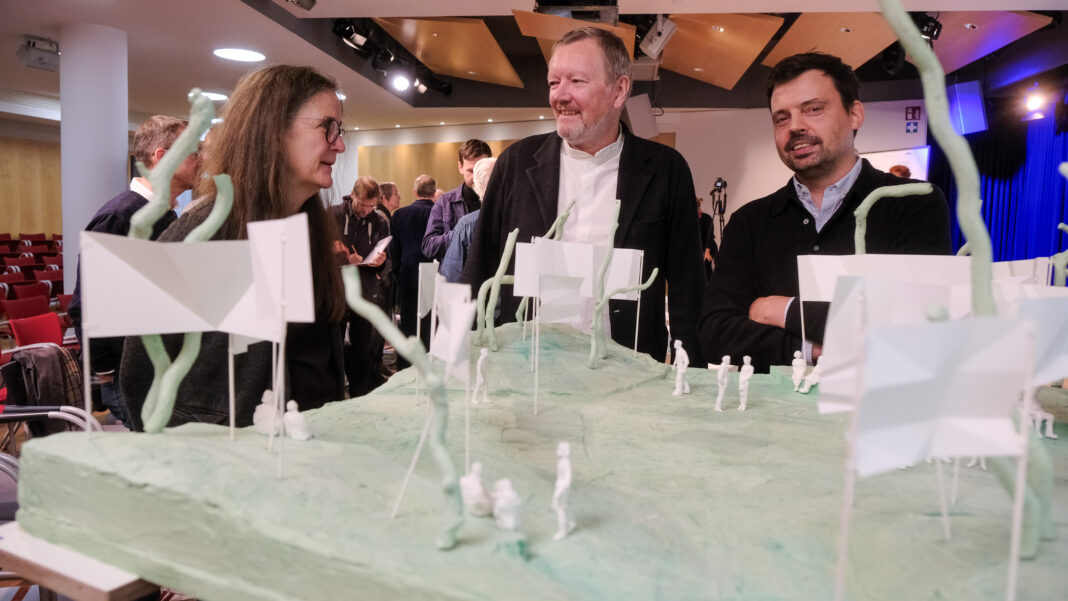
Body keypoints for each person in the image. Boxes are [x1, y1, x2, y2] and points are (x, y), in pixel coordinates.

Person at [121, 65, 348, 430]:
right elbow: (141, 380)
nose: (339, 144)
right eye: (328, 127)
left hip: (308, 457)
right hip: (231, 471)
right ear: (272, 131)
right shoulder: (203, 236)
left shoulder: (306, 230)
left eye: (339, 130)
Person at [698, 52, 951, 373]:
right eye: (781, 118)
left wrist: (785, 311)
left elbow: (918, 323)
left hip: (875, 410)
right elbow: (715, 332)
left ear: (855, 114)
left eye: (814, 109)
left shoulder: (914, 203)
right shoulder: (750, 221)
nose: (796, 127)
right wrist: (810, 349)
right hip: (771, 416)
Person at [463, 27, 703, 363]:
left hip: (628, 371)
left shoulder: (666, 171)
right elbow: (478, 269)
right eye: (553, 82)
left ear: (619, 90)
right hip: (528, 370)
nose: (560, 95)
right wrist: (456, 361)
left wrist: (691, 376)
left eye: (576, 81)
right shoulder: (515, 164)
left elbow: (687, 288)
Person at [68, 115, 200, 428]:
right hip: (131, 372)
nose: (201, 160)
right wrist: (107, 372)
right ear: (163, 157)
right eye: (193, 151)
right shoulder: (121, 215)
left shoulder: (166, 217)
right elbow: (87, 301)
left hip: (162, 367)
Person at [334, 176, 392, 396]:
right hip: (336, 291)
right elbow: (317, 252)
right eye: (362, 205)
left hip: (365, 290)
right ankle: (337, 392)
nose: (367, 210)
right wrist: (338, 255)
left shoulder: (379, 221)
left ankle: (360, 394)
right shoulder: (333, 215)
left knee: (362, 348)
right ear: (352, 195)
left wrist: (380, 261)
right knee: (335, 345)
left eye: (372, 206)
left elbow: (387, 257)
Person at [389, 174, 437, 364]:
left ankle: (405, 367)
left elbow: (394, 250)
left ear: (415, 192)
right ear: (433, 192)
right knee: (429, 326)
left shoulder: (400, 215)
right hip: (433, 276)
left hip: (407, 275)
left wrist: (398, 275)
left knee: (408, 326)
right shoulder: (439, 213)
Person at [421, 139, 492, 262]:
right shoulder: (445, 202)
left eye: (480, 171)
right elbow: (428, 246)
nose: (476, 177)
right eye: (471, 171)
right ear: (460, 167)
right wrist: (461, 234)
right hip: (457, 277)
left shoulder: (501, 201)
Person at [440, 156, 496, 283]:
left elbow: (451, 277)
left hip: (475, 299)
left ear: (477, 187)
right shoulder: (522, 220)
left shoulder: (466, 224)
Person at [698, 197, 717, 281]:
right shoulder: (691, 220)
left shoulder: (707, 218)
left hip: (709, 247)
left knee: (706, 264)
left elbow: (710, 236)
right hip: (699, 248)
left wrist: (707, 251)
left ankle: (709, 287)